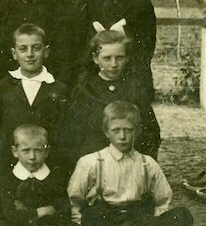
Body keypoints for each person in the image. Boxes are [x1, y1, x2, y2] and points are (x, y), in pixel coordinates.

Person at [67, 101, 194, 226]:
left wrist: (153, 223)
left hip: (137, 219)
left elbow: (163, 199)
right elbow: (75, 198)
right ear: (106, 132)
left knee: (182, 215)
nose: (122, 136)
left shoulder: (147, 164)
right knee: (93, 219)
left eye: (128, 130)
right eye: (116, 130)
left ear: (138, 131)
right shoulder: (91, 162)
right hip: (106, 219)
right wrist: (80, 224)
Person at [72, 0, 157, 101]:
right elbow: (76, 43)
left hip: (131, 78)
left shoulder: (141, 1)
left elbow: (147, 46)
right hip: (93, 78)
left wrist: (127, 39)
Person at [0, 125, 86, 226]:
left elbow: (63, 211)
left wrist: (33, 216)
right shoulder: (7, 180)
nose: (32, 157)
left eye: (38, 150)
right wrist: (40, 212)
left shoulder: (55, 178)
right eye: (26, 151)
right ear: (15, 152)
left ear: (46, 152)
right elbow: (9, 215)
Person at [62, 31, 161, 163]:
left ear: (127, 58)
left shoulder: (134, 90)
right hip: (94, 165)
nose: (114, 64)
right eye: (107, 58)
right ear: (95, 59)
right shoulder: (84, 91)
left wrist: (141, 163)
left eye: (119, 58)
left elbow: (151, 132)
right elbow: (73, 135)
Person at [0, 24, 69, 176]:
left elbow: (63, 133)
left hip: (48, 167)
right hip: (8, 167)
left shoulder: (58, 89)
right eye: (23, 49)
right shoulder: (1, 88)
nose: (30, 54)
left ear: (46, 51)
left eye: (36, 48)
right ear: (14, 53)